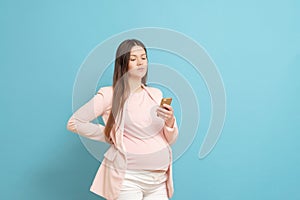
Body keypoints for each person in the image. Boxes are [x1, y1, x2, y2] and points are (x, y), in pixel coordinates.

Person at [66, 39, 178, 200]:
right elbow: (74, 122)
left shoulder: (155, 94)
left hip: (159, 180)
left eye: (143, 57)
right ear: (123, 64)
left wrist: (169, 122)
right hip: (128, 179)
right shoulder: (109, 95)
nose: (140, 63)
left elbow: (169, 139)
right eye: (133, 59)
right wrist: (109, 133)